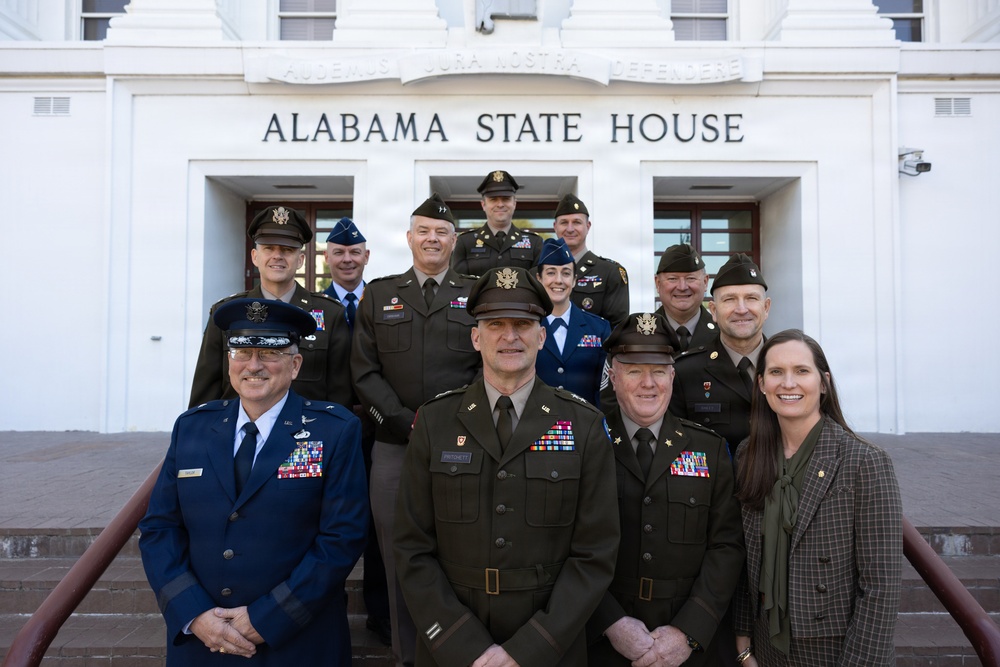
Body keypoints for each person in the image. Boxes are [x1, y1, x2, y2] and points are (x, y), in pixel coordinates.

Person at [394, 265, 620, 667]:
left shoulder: (583, 425)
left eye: (523, 324)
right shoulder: (434, 420)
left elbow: (595, 554)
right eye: (495, 324)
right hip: (451, 647)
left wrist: (530, 649)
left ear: (542, 335)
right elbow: (412, 548)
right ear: (476, 337)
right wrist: (462, 645)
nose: (510, 336)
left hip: (550, 647)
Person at [140, 298, 369, 666]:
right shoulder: (192, 428)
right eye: (242, 352)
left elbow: (343, 537)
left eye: (270, 353)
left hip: (297, 642)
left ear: (295, 365)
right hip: (204, 643)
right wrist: (194, 613)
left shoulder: (334, 431)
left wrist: (268, 617)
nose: (254, 365)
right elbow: (159, 529)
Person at [351, 193, 482, 667]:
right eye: (423, 231)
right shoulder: (381, 294)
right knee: (396, 555)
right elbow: (364, 373)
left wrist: (448, 421)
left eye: (442, 232)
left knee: (459, 548)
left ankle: (456, 653)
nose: (432, 238)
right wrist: (406, 422)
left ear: (455, 240)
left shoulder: (476, 291)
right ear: (409, 239)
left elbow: (487, 364)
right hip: (393, 446)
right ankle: (408, 655)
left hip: (462, 443)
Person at [732, 329, 902, 666]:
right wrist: (743, 644)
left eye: (802, 371)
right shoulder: (748, 455)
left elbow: (880, 587)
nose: (788, 383)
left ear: (823, 383)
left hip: (835, 649)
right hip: (766, 646)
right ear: (762, 383)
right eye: (776, 372)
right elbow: (746, 557)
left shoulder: (865, 462)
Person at [588, 312, 745, 667]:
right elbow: (564, 544)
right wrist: (609, 622)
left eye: (658, 370)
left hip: (688, 641)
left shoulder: (708, 448)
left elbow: (726, 545)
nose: (649, 383)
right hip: (601, 640)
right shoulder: (586, 444)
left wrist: (689, 630)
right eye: (633, 370)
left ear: (672, 377)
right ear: (612, 377)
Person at [189, 205, 353, 408]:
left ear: (300, 259)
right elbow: (205, 392)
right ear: (255, 257)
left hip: (305, 434)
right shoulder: (226, 313)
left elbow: (340, 396)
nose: (277, 256)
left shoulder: (331, 314)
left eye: (287, 250)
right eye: (269, 248)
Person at [321, 215, 391, 646]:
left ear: (367, 257)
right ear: (327, 258)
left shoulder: (384, 301)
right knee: (326, 523)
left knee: (381, 527)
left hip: (379, 431)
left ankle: (382, 615)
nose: (347, 259)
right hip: (329, 435)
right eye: (339, 253)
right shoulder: (313, 307)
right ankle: (322, 608)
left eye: (354, 252)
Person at [670, 253, 770, 453]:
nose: (741, 309)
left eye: (751, 298)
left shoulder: (790, 367)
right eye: (730, 299)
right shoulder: (684, 372)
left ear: (766, 307)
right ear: (713, 311)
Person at [534, 236, 611, 407]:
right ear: (539, 279)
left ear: (575, 280)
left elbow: (606, 389)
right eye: (551, 272)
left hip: (586, 426)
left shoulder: (599, 329)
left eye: (566, 273)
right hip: (536, 425)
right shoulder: (527, 327)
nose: (559, 280)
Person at [552, 193, 630, 328]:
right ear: (555, 227)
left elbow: (618, 329)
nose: (570, 229)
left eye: (576, 222)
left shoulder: (610, 272)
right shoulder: (539, 272)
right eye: (564, 222)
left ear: (588, 226)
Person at [451, 169, 543, 276]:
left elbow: (538, 284)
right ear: (483, 205)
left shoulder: (534, 243)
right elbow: (457, 284)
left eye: (506, 199)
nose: (500, 204)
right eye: (493, 199)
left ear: (514, 203)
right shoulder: (465, 242)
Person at [654, 244, 717, 353]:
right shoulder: (639, 334)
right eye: (673, 279)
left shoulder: (724, 333)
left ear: (705, 282)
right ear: (658, 283)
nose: (682, 287)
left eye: (690, 278)